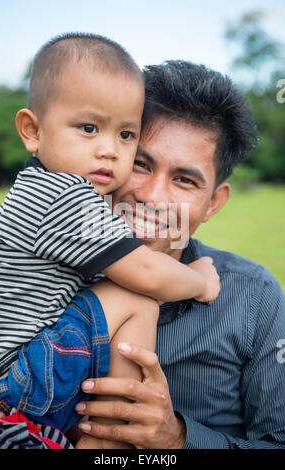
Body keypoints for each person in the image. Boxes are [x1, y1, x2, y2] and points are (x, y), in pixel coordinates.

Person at [0, 35, 220, 447]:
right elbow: (147, 273)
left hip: (10, 379)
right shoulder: (63, 195)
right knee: (137, 297)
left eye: (126, 135)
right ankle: (108, 446)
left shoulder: (38, 190)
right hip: (10, 379)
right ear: (32, 130)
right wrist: (199, 280)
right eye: (89, 128)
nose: (110, 150)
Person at [73, 60, 285, 449]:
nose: (152, 197)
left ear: (213, 203)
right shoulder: (35, 274)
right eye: (140, 164)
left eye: (184, 180)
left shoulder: (255, 299)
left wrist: (179, 439)